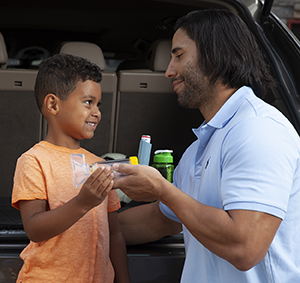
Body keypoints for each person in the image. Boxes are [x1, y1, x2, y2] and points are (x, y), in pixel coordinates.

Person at [112, 9, 300, 283]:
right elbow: (161, 219)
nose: (169, 71)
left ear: (216, 54)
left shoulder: (259, 130)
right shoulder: (200, 147)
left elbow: (245, 247)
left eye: (179, 55)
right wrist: (83, 224)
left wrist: (162, 189)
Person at [12, 54, 130, 283]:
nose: (96, 112)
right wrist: (82, 203)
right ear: (53, 104)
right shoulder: (34, 160)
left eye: (98, 104)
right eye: (88, 102)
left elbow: (114, 233)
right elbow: (34, 228)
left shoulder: (100, 165)